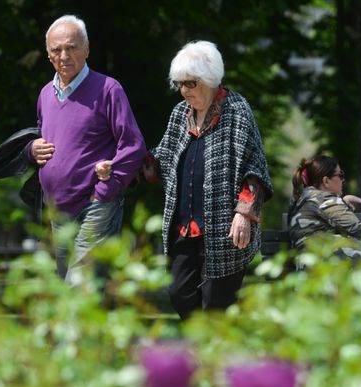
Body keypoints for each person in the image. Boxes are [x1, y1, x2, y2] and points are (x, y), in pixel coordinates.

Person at [126, 40, 271, 319]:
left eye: (190, 83)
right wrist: (126, 163)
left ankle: (208, 357)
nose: (183, 91)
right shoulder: (180, 114)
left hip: (223, 228)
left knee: (216, 305)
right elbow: (162, 157)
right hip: (184, 224)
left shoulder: (237, 111)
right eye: (179, 84)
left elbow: (254, 167)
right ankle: (202, 349)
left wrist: (243, 214)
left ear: (209, 79)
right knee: (179, 293)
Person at [27, 15, 148, 285]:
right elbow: (41, 135)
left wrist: (106, 189)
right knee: (65, 289)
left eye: (71, 47)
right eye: (56, 50)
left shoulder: (108, 89)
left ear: (87, 49)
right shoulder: (46, 94)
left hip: (95, 205)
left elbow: (134, 145)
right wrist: (31, 148)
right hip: (56, 210)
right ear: (48, 55)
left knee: (79, 286)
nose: (64, 55)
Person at [287, 155, 361, 262]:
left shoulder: (304, 198)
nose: (343, 180)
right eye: (340, 175)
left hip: (308, 265)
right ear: (326, 181)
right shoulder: (324, 199)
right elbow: (359, 230)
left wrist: (342, 202)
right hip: (324, 264)